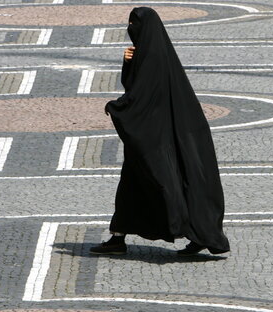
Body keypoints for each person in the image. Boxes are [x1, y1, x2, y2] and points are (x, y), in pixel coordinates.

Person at [89, 7, 230, 256]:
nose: (131, 28)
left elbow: (140, 97)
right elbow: (137, 88)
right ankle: (118, 238)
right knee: (135, 188)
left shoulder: (152, 58)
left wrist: (116, 108)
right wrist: (129, 63)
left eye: (134, 23)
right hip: (164, 135)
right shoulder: (154, 54)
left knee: (164, 185)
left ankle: (194, 235)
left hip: (157, 140)